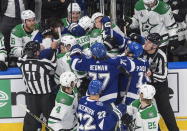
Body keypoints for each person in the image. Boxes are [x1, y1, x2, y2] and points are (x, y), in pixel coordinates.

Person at [71, 42, 136, 104]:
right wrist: (115, 56)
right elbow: (132, 66)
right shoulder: (115, 62)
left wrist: (76, 52)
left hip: (92, 97)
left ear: (94, 55)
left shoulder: (88, 61)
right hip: (109, 97)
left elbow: (74, 65)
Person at [143, 33, 179, 131]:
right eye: (146, 40)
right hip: (147, 87)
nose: (146, 43)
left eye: (149, 42)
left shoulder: (161, 56)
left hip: (160, 88)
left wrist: (151, 75)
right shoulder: (142, 51)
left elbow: (163, 76)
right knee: (148, 111)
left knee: (166, 113)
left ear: (154, 45)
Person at [17, 41, 56, 131]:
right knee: (51, 119)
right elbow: (54, 65)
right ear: (37, 52)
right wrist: (53, 49)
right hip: (46, 96)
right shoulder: (43, 63)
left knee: (31, 121)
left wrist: (31, 50)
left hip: (31, 97)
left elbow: (22, 58)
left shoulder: (21, 63)